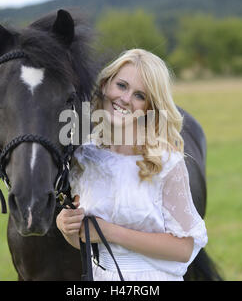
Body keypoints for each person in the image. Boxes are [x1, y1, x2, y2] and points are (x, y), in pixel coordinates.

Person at [56, 48, 208, 281]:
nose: (126, 99)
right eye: (122, 86)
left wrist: (111, 232)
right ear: (106, 85)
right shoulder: (83, 158)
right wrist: (66, 226)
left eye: (140, 95)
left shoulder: (165, 162)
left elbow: (184, 249)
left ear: (150, 106)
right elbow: (85, 239)